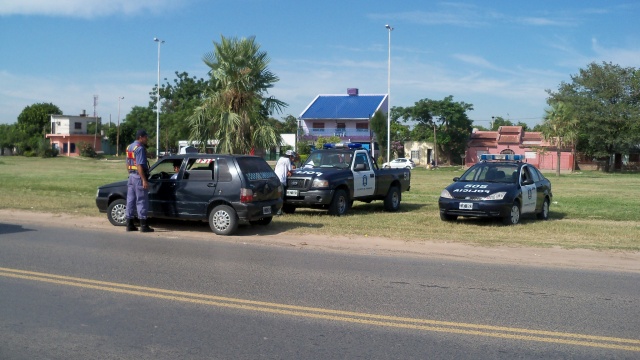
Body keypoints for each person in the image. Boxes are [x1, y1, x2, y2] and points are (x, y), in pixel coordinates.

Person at [125, 129, 154, 232]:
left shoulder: (130, 147)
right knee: (141, 200)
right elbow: (139, 165)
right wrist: (144, 180)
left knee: (130, 200)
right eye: (146, 137)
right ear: (141, 137)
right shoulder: (140, 148)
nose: (147, 139)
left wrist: (131, 174)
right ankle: (144, 225)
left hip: (131, 176)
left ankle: (129, 224)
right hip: (138, 176)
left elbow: (128, 163)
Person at [274, 150, 294, 215]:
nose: (292, 159)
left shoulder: (280, 159)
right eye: (292, 157)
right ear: (290, 156)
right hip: (281, 179)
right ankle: (278, 212)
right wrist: (290, 171)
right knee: (281, 196)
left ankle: (276, 211)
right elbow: (291, 171)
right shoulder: (287, 160)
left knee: (277, 195)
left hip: (276, 178)